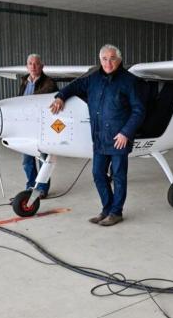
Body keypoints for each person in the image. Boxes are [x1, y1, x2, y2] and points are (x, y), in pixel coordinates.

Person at [50, 44, 145, 226]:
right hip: (100, 137)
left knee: (118, 176)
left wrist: (126, 132)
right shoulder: (93, 79)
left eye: (112, 59)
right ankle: (107, 209)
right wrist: (61, 96)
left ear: (119, 60)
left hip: (119, 139)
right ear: (100, 60)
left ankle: (116, 212)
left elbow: (139, 110)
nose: (108, 63)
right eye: (104, 59)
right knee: (98, 174)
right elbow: (75, 86)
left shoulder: (130, 81)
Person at [19, 54, 58, 198]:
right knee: (27, 161)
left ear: (42, 66)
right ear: (27, 66)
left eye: (36, 64)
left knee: (43, 158)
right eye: (30, 63)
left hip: (42, 126)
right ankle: (31, 185)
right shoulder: (24, 81)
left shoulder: (49, 83)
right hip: (27, 126)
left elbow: (38, 98)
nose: (33, 66)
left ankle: (42, 189)